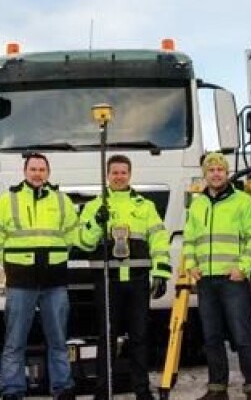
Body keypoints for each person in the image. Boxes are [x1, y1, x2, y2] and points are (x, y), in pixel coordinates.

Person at [0, 153, 102, 400]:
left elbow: (77, 239)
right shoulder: (7, 200)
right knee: (14, 341)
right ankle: (13, 390)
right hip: (20, 283)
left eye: (42, 169)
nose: (37, 173)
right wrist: (8, 265)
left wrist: (95, 226)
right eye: (33, 169)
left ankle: (63, 389)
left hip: (54, 283)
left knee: (59, 340)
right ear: (25, 171)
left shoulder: (62, 201)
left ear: (48, 173)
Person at [79, 154, 171, 400]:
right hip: (108, 281)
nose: (119, 177)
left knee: (140, 336)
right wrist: (97, 222)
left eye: (123, 172)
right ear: (107, 175)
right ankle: (103, 391)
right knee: (106, 336)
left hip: (138, 280)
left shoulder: (145, 206)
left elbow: (159, 240)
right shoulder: (94, 206)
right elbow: (84, 242)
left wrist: (161, 272)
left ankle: (142, 390)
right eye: (114, 173)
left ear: (130, 174)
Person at [183, 152, 251, 400]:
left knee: (242, 335)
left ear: (226, 173)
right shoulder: (197, 204)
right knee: (212, 336)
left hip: (232, 280)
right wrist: (190, 264)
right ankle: (217, 388)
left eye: (220, 170)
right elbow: (189, 239)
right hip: (206, 280)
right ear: (205, 175)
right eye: (211, 170)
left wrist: (244, 266)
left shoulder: (243, 202)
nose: (216, 174)